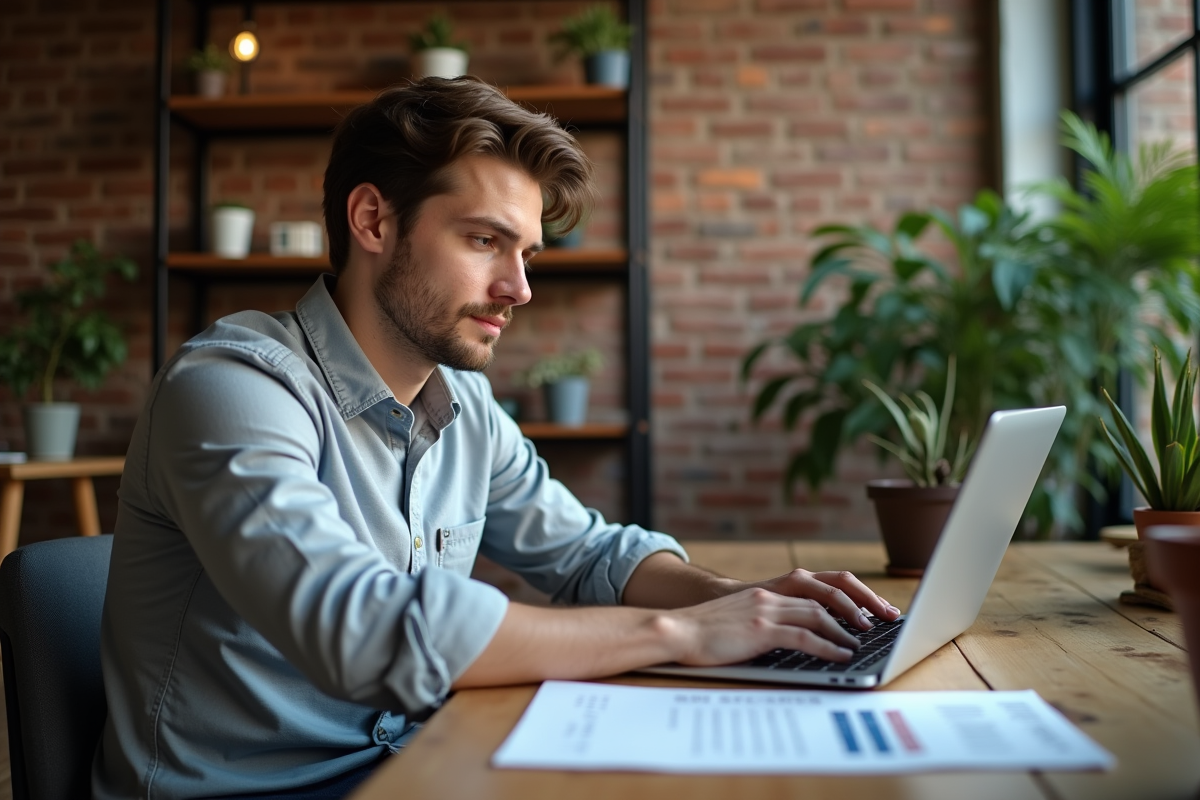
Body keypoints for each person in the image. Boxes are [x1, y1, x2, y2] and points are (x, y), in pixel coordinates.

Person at [93, 77, 901, 800]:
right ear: (373, 220)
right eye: (485, 241)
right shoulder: (232, 390)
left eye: (527, 252)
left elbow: (590, 557)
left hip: (417, 764)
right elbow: (360, 630)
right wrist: (685, 632)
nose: (518, 288)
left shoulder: (466, 408)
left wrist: (753, 606)